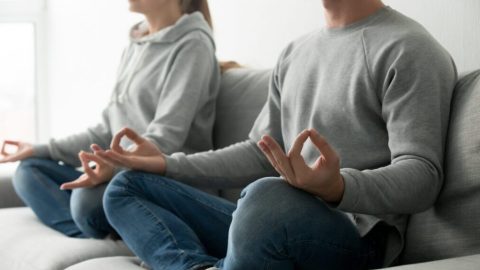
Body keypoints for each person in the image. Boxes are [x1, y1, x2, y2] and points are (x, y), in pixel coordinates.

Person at [98, 0, 456, 269]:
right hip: (271, 221)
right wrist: (166, 164)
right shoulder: (295, 52)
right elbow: (260, 152)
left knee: (264, 198)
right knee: (127, 184)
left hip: (357, 235)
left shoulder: (409, 47)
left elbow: (423, 174)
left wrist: (338, 187)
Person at [0, 0, 220, 239]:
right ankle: (96, 234)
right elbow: (106, 131)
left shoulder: (193, 44)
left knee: (87, 201)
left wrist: (113, 167)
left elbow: (165, 139)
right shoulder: (135, 45)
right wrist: (39, 149)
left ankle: (110, 228)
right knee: (30, 169)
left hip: (158, 181)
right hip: (121, 171)